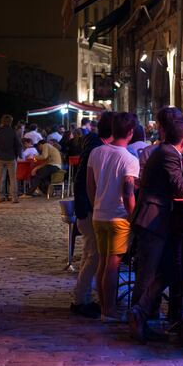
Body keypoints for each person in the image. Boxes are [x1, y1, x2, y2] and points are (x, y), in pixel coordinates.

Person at [128, 120, 183, 343]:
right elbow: (180, 187)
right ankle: (138, 320)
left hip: (162, 220)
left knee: (169, 269)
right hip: (154, 219)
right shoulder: (168, 154)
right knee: (148, 273)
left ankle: (141, 314)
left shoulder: (166, 152)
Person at [87, 112, 139, 322]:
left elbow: (90, 185)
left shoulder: (96, 152)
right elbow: (128, 193)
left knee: (102, 262)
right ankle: (109, 310)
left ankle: (103, 307)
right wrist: (133, 216)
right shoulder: (129, 159)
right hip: (119, 217)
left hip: (99, 214)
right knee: (113, 264)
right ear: (130, 132)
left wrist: (96, 204)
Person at [70, 111, 115, 319]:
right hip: (88, 208)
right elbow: (86, 183)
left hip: (85, 206)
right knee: (94, 255)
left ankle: (83, 297)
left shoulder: (92, 144)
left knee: (90, 253)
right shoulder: (97, 147)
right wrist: (91, 204)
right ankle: (80, 300)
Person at [0, 114, 22, 203]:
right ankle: (14, 197)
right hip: (11, 157)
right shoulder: (13, 132)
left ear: (2, 122)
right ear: (10, 122)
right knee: (13, 178)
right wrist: (18, 155)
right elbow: (18, 145)